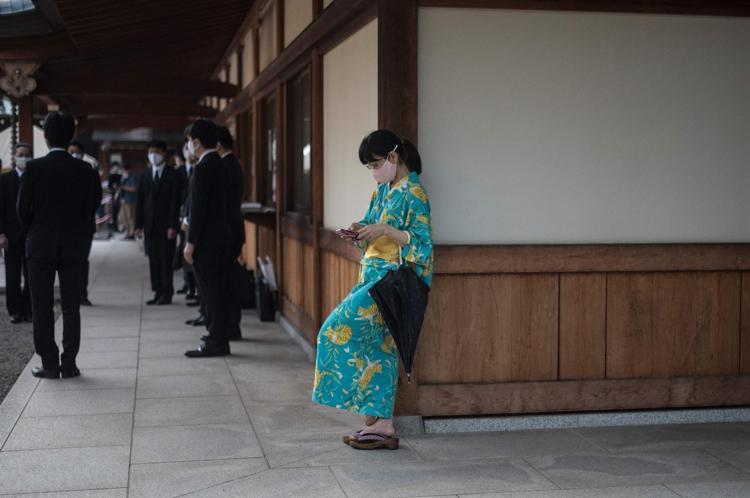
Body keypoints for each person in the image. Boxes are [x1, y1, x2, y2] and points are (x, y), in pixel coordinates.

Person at [312, 129, 433, 450]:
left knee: (334, 329)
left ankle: (378, 418)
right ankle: (381, 422)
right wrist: (358, 230)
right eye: (369, 167)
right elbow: (368, 224)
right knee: (378, 347)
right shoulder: (383, 189)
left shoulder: (415, 194)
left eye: (375, 164)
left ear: (394, 157)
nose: (373, 171)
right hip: (371, 275)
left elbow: (421, 243)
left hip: (391, 280)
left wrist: (386, 230)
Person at [18, 112, 100, 379]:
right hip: (73, 245)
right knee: (70, 306)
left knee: (41, 305)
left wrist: (34, 230)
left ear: (45, 135)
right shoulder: (84, 169)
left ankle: (50, 364)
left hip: (40, 244)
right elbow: (91, 207)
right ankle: (70, 363)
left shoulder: (33, 168)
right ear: (70, 136)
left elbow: (22, 209)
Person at [183, 119, 233, 357]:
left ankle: (216, 341)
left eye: (189, 141)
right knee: (218, 289)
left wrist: (190, 242)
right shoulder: (223, 164)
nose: (189, 146)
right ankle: (218, 336)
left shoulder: (203, 168)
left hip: (206, 241)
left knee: (210, 291)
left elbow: (198, 210)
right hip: (222, 237)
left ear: (197, 142)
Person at [135, 139, 181, 305]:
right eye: (150, 152)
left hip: (166, 226)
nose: (153, 155)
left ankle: (167, 292)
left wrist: (172, 225)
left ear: (164, 154)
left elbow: (175, 202)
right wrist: (138, 225)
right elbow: (140, 202)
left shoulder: (173, 174)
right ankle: (157, 291)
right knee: (153, 260)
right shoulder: (145, 175)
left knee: (166, 260)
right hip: (150, 225)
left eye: (156, 152)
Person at [216, 126, 244, 341]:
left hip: (228, 229)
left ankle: (231, 326)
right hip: (232, 227)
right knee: (227, 280)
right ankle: (231, 325)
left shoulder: (226, 165)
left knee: (227, 281)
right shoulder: (232, 163)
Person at [0, 143, 33, 323]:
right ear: (14, 157)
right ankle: (14, 310)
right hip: (11, 235)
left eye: (27, 155)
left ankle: (29, 309)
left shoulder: (35, 178)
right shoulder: (4, 179)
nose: (23, 158)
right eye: (20, 154)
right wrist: (1, 234)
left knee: (31, 275)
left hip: (30, 235)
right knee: (12, 276)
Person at [68, 141, 101, 306]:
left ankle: (82, 293)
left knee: (82, 260)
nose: (73, 154)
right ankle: (71, 293)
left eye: (76, 152)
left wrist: (83, 212)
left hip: (84, 224)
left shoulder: (91, 172)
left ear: (82, 154)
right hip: (65, 225)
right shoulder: (62, 172)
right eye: (70, 151)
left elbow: (97, 197)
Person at [119, 164, 138, 239]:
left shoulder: (132, 177)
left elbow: (134, 188)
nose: (123, 172)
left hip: (130, 201)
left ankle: (131, 234)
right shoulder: (122, 177)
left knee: (130, 217)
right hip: (123, 200)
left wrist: (123, 187)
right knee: (121, 217)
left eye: (124, 170)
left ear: (128, 170)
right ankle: (127, 232)